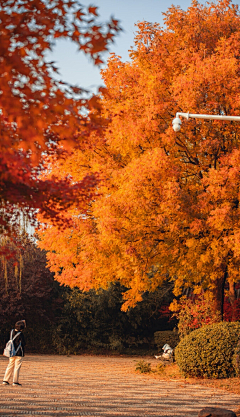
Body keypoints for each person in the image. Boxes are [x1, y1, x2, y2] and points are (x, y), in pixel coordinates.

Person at [2, 320, 26, 386]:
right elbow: (24, 343)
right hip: (19, 352)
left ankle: (5, 380)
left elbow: (6, 340)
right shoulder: (21, 334)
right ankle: (15, 381)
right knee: (17, 367)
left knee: (10, 365)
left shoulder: (11, 332)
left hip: (11, 352)